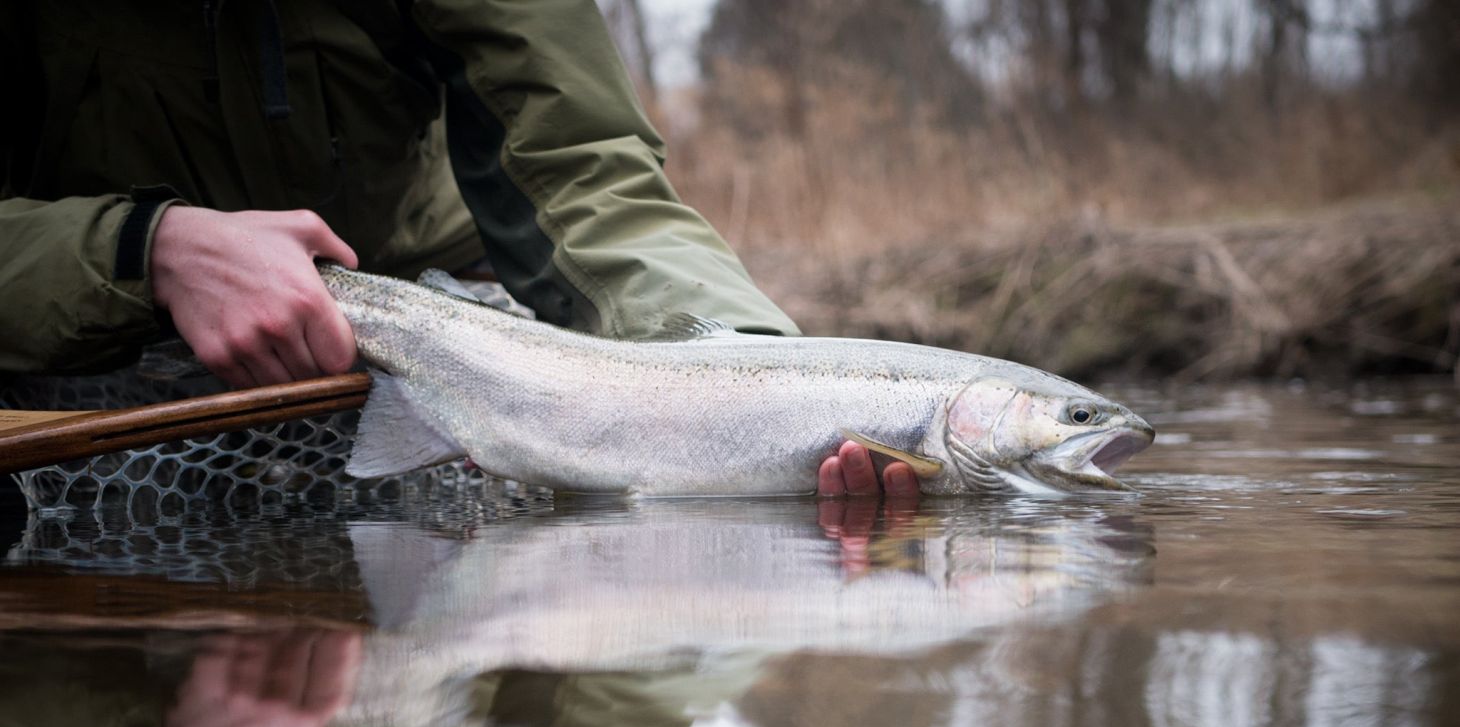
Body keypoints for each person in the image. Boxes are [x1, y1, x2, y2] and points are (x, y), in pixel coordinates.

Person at [0, 0, 915, 498]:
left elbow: (584, 164)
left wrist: (753, 373)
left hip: (421, 309)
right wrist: (141, 247)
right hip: (72, 324)